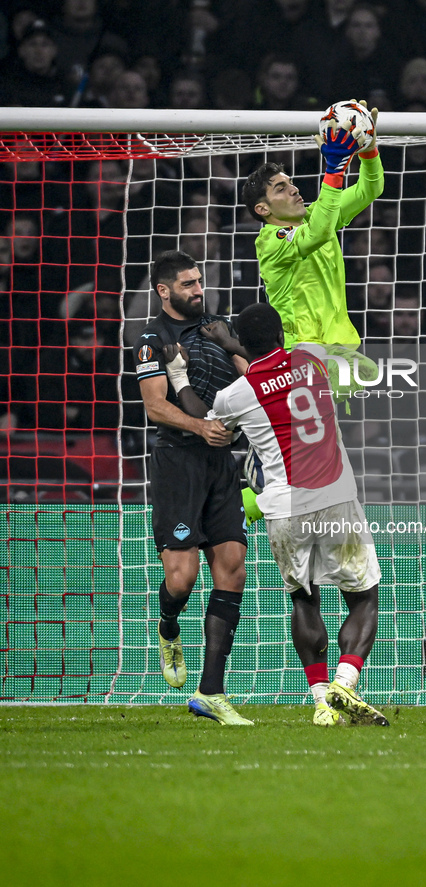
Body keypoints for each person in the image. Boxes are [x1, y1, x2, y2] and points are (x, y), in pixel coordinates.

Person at [192, 302, 389, 728]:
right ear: (282, 335)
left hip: (283, 509)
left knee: (304, 596)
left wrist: (218, 352)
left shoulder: (234, 395)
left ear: (242, 343)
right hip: (336, 496)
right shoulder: (314, 358)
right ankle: (344, 682)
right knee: (364, 596)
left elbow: (216, 431)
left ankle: (321, 702)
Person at [133, 249, 252, 726]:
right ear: (164, 291)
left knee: (233, 567)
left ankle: (211, 692)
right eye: (187, 284)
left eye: (199, 281)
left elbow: (257, 379)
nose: (198, 290)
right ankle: (167, 626)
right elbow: (155, 407)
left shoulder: (218, 327)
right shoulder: (151, 339)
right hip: (178, 462)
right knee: (182, 579)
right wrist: (200, 428)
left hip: (223, 463)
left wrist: (235, 346)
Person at [241, 99, 383, 398]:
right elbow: (317, 234)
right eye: (281, 188)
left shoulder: (319, 214)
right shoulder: (270, 241)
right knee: (304, 441)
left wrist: (368, 148)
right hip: (297, 355)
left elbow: (371, 188)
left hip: (338, 351)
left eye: (290, 182)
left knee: (332, 441)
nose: (293, 189)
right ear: (262, 209)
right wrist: (334, 170)